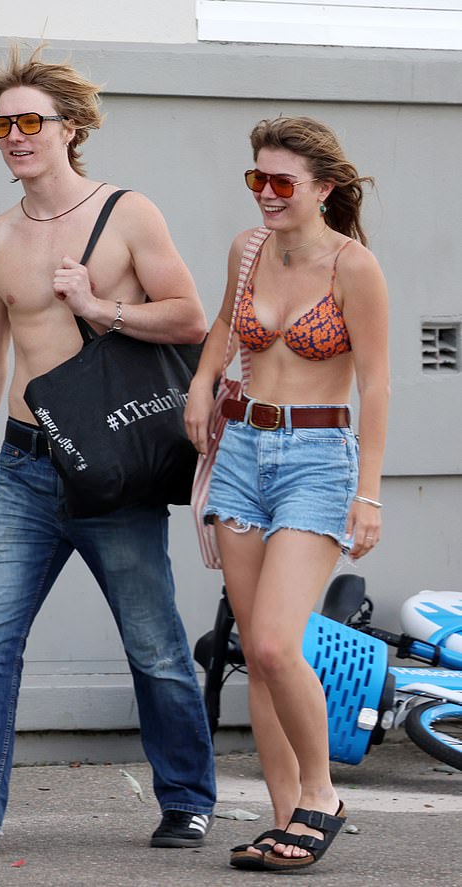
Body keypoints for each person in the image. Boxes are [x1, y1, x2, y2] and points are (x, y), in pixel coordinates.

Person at [0, 44, 215, 855]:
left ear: (71, 129)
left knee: (155, 644)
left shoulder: (129, 213)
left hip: (110, 469)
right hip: (27, 466)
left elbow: (189, 318)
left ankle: (187, 798)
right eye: (1, 124)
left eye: (30, 120)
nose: (14, 135)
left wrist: (97, 304)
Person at [184, 116, 389, 872]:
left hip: (318, 460)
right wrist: (203, 384)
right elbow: (222, 331)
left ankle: (322, 795)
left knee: (276, 640)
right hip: (241, 452)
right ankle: (282, 820)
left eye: (282, 182)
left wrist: (367, 493)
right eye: (256, 179)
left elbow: (378, 383)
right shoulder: (247, 250)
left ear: (324, 188)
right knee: (257, 653)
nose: (266, 194)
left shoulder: (353, 266)